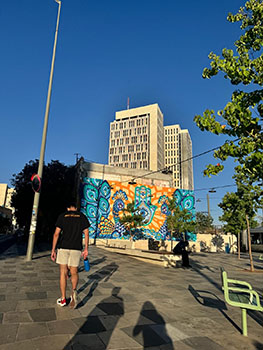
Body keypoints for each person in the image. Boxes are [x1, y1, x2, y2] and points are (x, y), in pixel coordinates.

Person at [51, 202, 90, 308]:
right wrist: (86, 248)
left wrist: (53, 250)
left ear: (67, 207)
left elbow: (56, 234)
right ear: (76, 208)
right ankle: (73, 292)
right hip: (76, 248)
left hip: (63, 247)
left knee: (63, 273)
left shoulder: (62, 216)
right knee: (74, 272)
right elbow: (86, 233)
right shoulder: (82, 216)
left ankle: (63, 299)